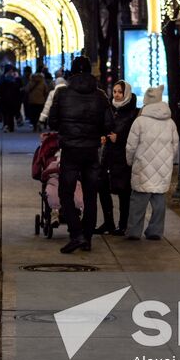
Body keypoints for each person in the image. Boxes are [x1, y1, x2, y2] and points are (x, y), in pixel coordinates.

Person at [48, 56, 113, 254]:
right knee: (90, 194)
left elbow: (52, 121)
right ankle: (87, 238)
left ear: (72, 72)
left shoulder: (62, 94)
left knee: (66, 193)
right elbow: (108, 124)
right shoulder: (100, 96)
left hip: (70, 150)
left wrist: (67, 130)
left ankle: (76, 234)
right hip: (92, 151)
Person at [125, 85, 177, 240]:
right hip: (162, 168)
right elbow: (175, 145)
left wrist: (130, 161)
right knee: (159, 201)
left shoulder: (139, 122)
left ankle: (134, 231)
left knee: (138, 202)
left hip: (142, 167)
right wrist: (169, 160)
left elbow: (131, 146)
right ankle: (155, 231)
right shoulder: (170, 123)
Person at [98, 80, 138, 235]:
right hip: (108, 156)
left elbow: (134, 135)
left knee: (123, 192)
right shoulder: (109, 108)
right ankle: (108, 223)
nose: (116, 95)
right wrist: (103, 136)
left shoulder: (133, 112)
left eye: (120, 92)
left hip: (122, 157)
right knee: (103, 188)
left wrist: (119, 138)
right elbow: (104, 127)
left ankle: (123, 225)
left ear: (126, 93)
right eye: (114, 91)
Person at [0, 67, 23, 133]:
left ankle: (7, 126)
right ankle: (10, 127)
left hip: (5, 100)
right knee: (10, 114)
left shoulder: (3, 81)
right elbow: (19, 90)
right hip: (12, 100)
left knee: (6, 114)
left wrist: (2, 96)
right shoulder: (14, 81)